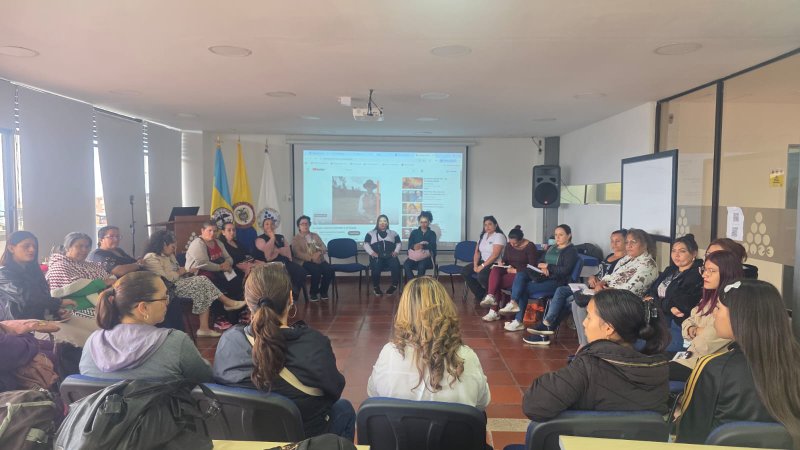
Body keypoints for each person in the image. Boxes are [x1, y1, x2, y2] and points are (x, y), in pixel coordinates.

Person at [212, 264, 355, 440]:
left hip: (247, 439)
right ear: (290, 298)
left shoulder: (228, 340)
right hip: (304, 440)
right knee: (344, 408)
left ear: (248, 302)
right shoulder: (314, 344)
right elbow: (334, 391)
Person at [675, 280, 800, 447]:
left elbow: (690, 434)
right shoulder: (794, 361)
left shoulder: (714, 367)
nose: (714, 315)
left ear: (739, 317)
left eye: (718, 308)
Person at [522, 289, 670, 422]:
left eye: (589, 317)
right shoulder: (659, 369)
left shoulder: (587, 368)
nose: (584, 323)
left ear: (608, 328)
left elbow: (534, 405)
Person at [368, 276, 490, 409]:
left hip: (397, 423)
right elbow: (482, 403)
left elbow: (373, 395)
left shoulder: (389, 353)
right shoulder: (467, 357)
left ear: (405, 312)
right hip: (456, 423)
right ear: (446, 308)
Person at [79, 272, 212, 383]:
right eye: (164, 297)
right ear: (143, 308)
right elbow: (206, 379)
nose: (167, 302)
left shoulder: (92, 342)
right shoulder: (175, 342)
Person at [142, 230, 246, 338]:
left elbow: (177, 271)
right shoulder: (151, 258)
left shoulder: (169, 255)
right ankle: (226, 303)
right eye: (172, 247)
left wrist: (187, 272)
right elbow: (163, 279)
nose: (174, 250)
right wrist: (181, 272)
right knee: (202, 281)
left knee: (203, 286)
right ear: (164, 244)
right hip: (167, 289)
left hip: (179, 282)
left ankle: (204, 328)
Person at [570, 228, 659, 347]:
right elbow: (611, 276)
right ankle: (583, 344)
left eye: (633, 242)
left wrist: (604, 291)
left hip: (624, 303)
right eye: (627, 242)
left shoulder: (648, 265)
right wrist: (601, 283)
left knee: (583, 306)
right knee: (575, 303)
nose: (629, 246)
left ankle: (587, 346)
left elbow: (628, 291)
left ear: (644, 244)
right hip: (609, 294)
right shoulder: (628, 259)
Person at [535, 229, 626, 345]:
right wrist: (592, 276)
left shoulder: (624, 261)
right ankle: (548, 325)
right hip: (589, 287)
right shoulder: (609, 256)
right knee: (561, 291)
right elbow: (600, 273)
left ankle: (548, 327)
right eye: (612, 241)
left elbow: (614, 279)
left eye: (618, 241)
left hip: (602, 291)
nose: (614, 244)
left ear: (626, 242)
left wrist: (600, 283)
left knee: (569, 301)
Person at [670, 250, 743, 381]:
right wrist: (695, 330)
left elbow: (704, 346)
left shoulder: (731, 304)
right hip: (689, 356)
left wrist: (694, 331)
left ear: (727, 273)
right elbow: (688, 321)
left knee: (648, 372)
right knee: (650, 360)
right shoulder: (709, 297)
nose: (704, 275)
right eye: (704, 270)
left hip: (703, 366)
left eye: (712, 271)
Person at [45, 232, 116, 345]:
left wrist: (95, 287)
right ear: (68, 247)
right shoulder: (59, 265)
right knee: (108, 332)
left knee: (124, 325)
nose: (84, 250)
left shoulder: (91, 265)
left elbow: (112, 280)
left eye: (87, 246)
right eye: (80, 246)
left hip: (103, 304)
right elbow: (74, 289)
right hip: (75, 310)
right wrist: (101, 284)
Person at [503, 224, 577, 334]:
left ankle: (518, 320)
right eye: (556, 235)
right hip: (543, 276)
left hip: (557, 281)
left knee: (523, 289)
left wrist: (548, 266)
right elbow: (539, 261)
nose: (557, 237)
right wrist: (542, 266)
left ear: (569, 235)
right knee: (521, 274)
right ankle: (513, 303)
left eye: (561, 235)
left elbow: (565, 270)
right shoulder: (552, 248)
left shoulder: (571, 251)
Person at [0, 230, 76, 322]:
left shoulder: (34, 271)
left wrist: (56, 312)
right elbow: (26, 298)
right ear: (11, 248)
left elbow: (41, 299)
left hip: (40, 322)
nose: (32, 250)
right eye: (26, 246)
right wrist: (59, 303)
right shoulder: (3, 274)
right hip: (17, 325)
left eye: (34, 246)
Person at [480, 225, 539, 322]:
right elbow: (505, 259)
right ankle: (490, 296)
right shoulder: (509, 245)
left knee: (496, 282)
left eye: (515, 243)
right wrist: (502, 263)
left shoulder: (530, 246)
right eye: (510, 242)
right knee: (495, 269)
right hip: (509, 269)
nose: (512, 245)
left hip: (521, 273)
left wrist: (516, 270)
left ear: (521, 240)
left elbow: (532, 266)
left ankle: (493, 311)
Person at [644, 234, 704, 325]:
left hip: (674, 321)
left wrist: (654, 301)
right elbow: (652, 290)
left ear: (694, 253)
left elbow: (679, 303)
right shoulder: (670, 269)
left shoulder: (696, 274)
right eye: (673, 251)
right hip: (656, 314)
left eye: (682, 251)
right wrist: (667, 305)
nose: (676, 255)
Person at [0, 319, 60, 392]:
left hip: (16, 350)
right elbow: (23, 347)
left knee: (49, 346)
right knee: (58, 354)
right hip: (11, 387)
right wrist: (26, 333)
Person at [254, 217, 308, 299]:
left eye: (272, 224)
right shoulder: (260, 239)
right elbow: (268, 255)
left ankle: (294, 294)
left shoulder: (280, 237)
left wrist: (276, 251)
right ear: (263, 227)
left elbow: (287, 250)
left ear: (275, 226)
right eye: (267, 224)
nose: (270, 226)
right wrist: (272, 238)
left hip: (285, 262)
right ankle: (283, 296)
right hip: (271, 265)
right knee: (282, 276)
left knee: (301, 271)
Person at [185, 221, 238, 296]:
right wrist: (221, 267)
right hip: (201, 276)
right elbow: (203, 264)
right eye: (209, 230)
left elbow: (229, 258)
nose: (212, 233)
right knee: (223, 287)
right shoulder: (198, 243)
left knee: (236, 282)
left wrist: (227, 263)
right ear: (202, 230)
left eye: (215, 231)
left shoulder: (218, 242)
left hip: (219, 272)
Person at [462, 216, 507, 302]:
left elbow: (495, 255)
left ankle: (492, 294)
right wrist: (475, 265)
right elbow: (477, 252)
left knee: (482, 276)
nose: (487, 227)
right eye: (485, 225)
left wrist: (481, 266)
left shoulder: (499, 236)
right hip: (483, 261)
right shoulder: (483, 236)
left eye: (490, 224)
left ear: (495, 225)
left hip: (495, 263)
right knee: (465, 271)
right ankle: (481, 294)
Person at [292, 215, 335, 302]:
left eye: (307, 223)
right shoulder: (296, 239)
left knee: (329, 269)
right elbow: (297, 253)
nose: (305, 225)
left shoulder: (315, 235)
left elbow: (323, 246)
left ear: (310, 224)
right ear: (299, 226)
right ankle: (313, 293)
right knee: (316, 270)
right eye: (302, 224)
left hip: (319, 259)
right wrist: (311, 258)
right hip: (304, 261)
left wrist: (318, 253)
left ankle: (323, 291)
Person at [364, 214, 402, 295]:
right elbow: (366, 244)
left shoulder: (393, 233)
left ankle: (394, 286)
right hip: (377, 257)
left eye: (384, 221)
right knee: (376, 266)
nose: (382, 223)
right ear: (377, 223)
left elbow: (398, 243)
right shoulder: (370, 233)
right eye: (380, 221)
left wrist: (396, 251)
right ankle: (376, 287)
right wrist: (372, 253)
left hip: (390, 256)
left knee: (395, 264)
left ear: (387, 223)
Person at [403, 211, 437, 280]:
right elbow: (410, 246)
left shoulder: (432, 233)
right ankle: (413, 283)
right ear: (419, 222)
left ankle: (419, 285)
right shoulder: (414, 232)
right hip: (414, 257)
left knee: (421, 266)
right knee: (406, 264)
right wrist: (414, 247)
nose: (423, 224)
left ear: (429, 222)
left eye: (425, 222)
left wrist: (423, 246)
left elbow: (433, 247)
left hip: (427, 259)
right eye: (421, 222)